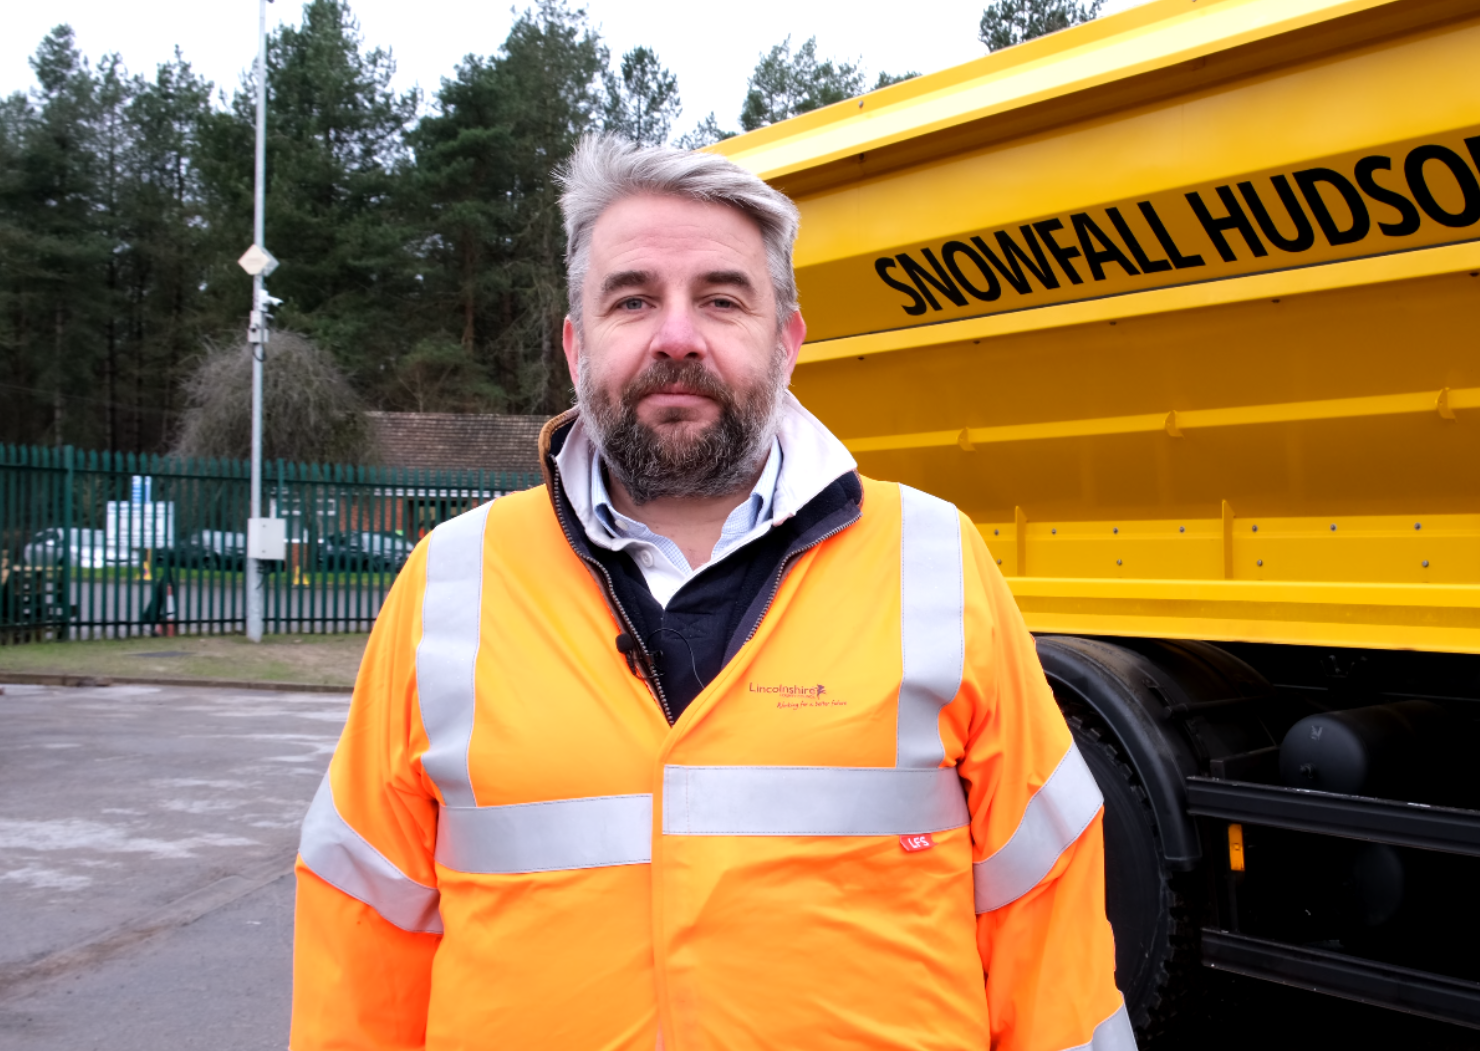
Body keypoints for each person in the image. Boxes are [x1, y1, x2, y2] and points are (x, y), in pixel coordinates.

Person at [290, 135, 1132, 1051]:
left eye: (722, 299)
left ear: (788, 340)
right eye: (633, 299)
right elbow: (364, 921)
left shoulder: (933, 558)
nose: (677, 336)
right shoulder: (450, 580)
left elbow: (1042, 912)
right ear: (577, 344)